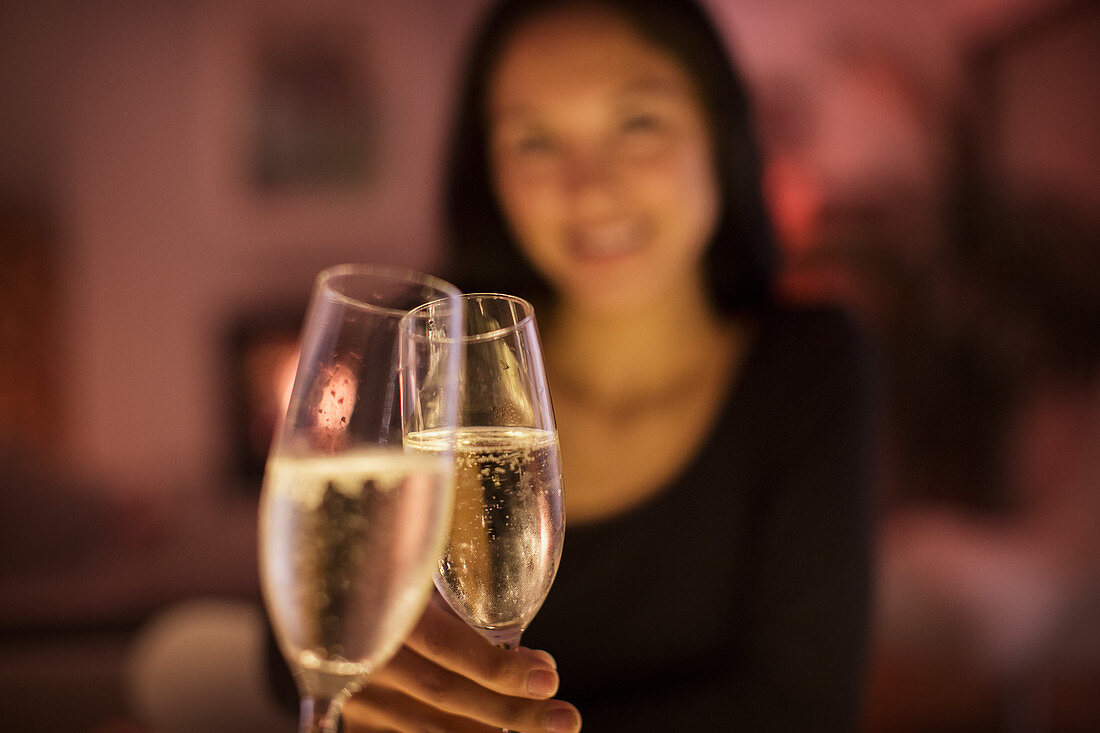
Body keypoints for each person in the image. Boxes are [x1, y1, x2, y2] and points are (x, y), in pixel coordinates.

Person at [272, 0, 876, 729]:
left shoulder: (807, 365)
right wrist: (366, 671)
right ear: (488, 170)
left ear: (720, 134)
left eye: (637, 123)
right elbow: (287, 652)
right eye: (534, 142)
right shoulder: (423, 352)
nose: (588, 188)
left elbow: (804, 710)